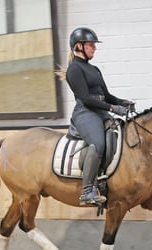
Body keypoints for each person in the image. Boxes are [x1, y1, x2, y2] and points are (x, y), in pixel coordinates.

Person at [56, 27, 135, 206]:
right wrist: (113, 109)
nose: (94, 48)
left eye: (94, 45)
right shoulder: (74, 70)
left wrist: (123, 103)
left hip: (100, 111)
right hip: (85, 113)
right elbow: (85, 98)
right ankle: (87, 191)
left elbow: (107, 96)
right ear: (79, 46)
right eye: (91, 45)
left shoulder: (95, 69)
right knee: (98, 144)